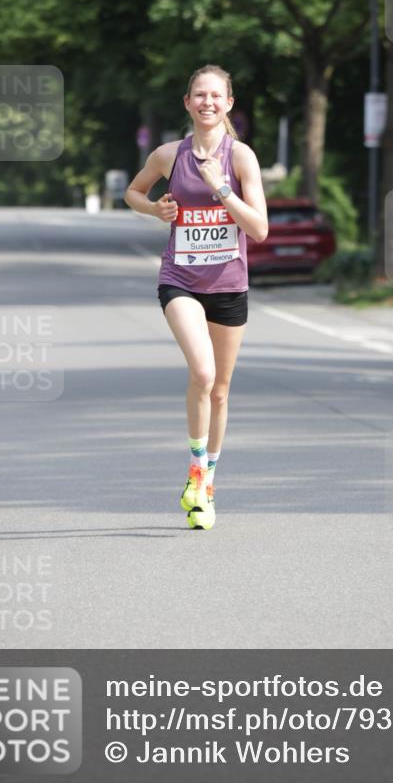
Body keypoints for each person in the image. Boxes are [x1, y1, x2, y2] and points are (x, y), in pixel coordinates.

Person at [125, 65, 268, 530]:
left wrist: (220, 187)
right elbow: (133, 191)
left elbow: (259, 229)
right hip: (180, 279)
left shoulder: (241, 157)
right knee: (202, 373)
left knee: (221, 391)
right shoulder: (169, 155)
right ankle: (193, 470)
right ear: (187, 103)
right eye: (199, 95)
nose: (207, 102)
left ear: (229, 104)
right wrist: (155, 208)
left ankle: (207, 483)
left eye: (216, 96)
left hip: (229, 284)